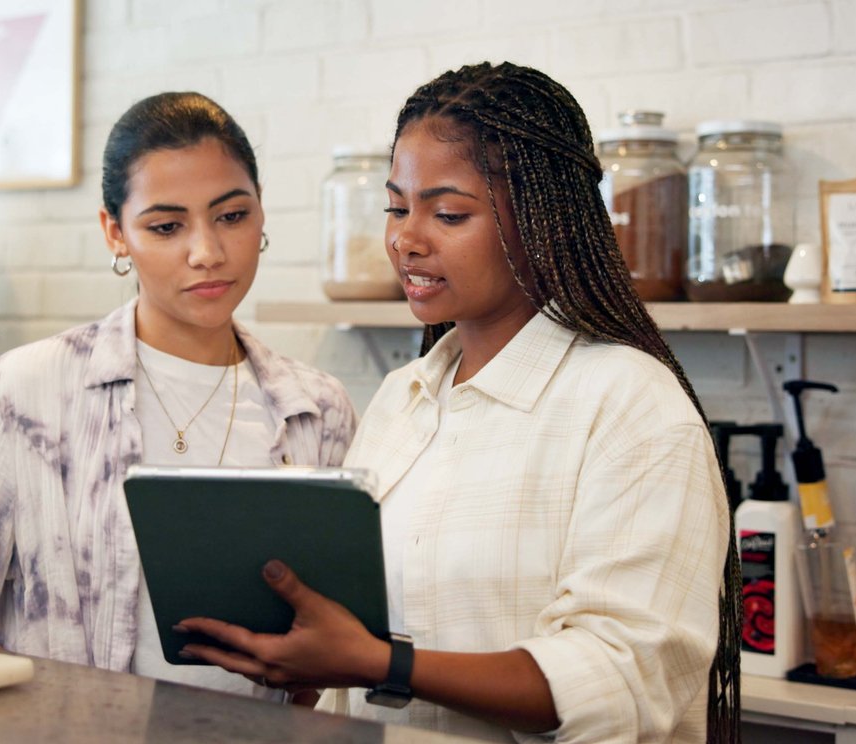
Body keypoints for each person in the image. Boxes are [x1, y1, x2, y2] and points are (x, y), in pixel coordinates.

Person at [175, 63, 739, 742]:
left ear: (541, 220)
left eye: (447, 213)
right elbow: (366, 638)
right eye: (395, 207)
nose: (405, 239)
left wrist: (381, 664)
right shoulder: (401, 399)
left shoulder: (630, 407)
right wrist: (311, 665)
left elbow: (619, 684)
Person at [0, 92, 358, 703]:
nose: (207, 252)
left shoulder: (318, 411)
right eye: (166, 227)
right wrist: (54, 722)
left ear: (261, 214)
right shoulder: (22, 391)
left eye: (231, 215)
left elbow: (323, 661)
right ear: (114, 232)